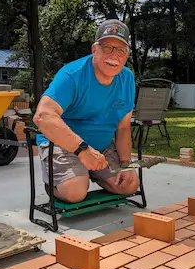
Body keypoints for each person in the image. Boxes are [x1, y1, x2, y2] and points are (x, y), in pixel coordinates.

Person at [33, 19, 140, 203]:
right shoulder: (72, 75)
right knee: (75, 192)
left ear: (127, 55)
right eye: (107, 47)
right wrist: (83, 151)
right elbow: (43, 116)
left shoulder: (127, 78)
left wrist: (125, 164)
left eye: (120, 50)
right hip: (65, 144)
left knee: (128, 184)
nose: (114, 55)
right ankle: (59, 183)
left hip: (101, 147)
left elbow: (123, 127)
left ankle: (91, 172)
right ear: (94, 49)